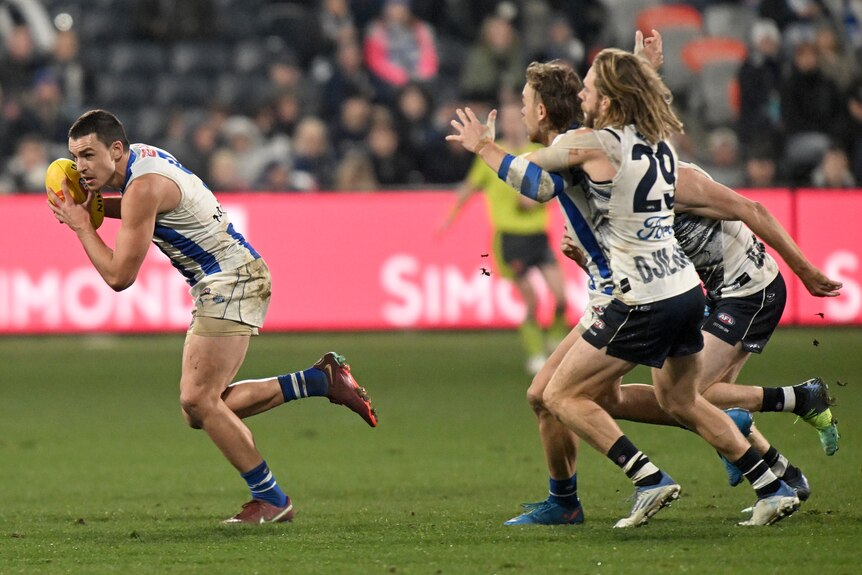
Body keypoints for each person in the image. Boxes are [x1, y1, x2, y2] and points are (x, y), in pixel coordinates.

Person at [447, 48, 825, 527]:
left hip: (631, 295)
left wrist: (484, 147)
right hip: (682, 287)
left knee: (560, 396)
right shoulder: (651, 141)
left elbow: (536, 183)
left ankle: (647, 478)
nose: (583, 95)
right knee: (669, 399)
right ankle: (771, 481)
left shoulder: (583, 145)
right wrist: (643, 68)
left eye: (591, 89)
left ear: (598, 102)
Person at [47, 109, 378, 525]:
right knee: (198, 410)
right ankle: (319, 380)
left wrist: (82, 225)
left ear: (116, 149)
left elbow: (119, 276)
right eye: (74, 157)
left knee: (198, 400)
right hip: (227, 279)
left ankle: (272, 499)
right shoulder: (141, 165)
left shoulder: (144, 187)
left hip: (232, 281)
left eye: (88, 155)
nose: (80, 167)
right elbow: (135, 210)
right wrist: (92, 205)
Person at [442, 100, 569, 375]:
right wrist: (447, 220)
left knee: (560, 297)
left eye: (516, 119)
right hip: (510, 240)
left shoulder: (538, 152)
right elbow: (468, 189)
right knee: (532, 300)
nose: (512, 124)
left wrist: (538, 201)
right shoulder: (492, 154)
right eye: (507, 120)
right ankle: (535, 354)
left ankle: (555, 337)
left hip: (538, 236)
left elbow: (556, 186)